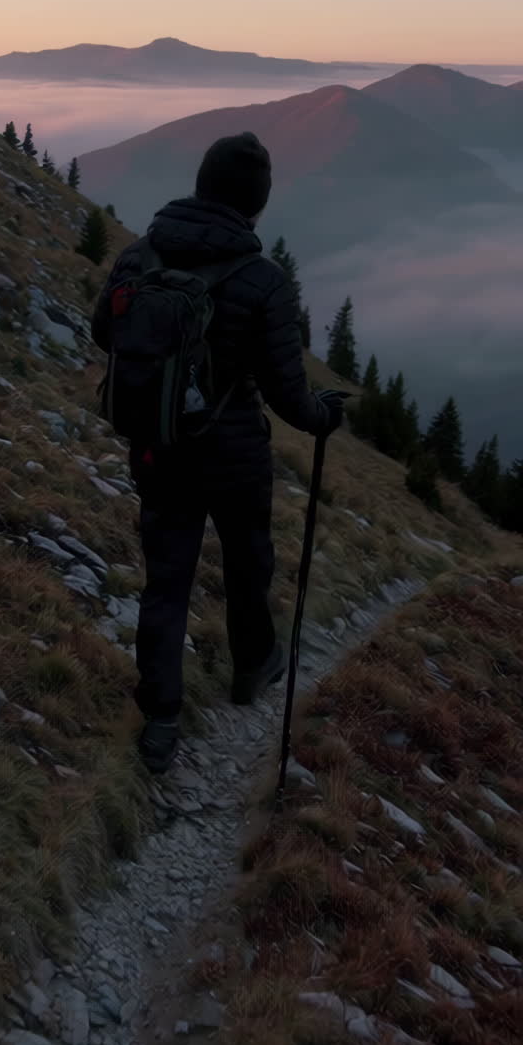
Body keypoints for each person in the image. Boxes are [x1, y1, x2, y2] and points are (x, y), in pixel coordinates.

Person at [91, 133, 342, 773]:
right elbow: (288, 391)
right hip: (233, 452)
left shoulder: (139, 256)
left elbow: (103, 330)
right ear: (255, 204)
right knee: (248, 563)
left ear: (201, 186)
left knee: (166, 579)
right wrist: (323, 417)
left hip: (161, 444)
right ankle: (252, 667)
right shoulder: (263, 280)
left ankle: (160, 720)